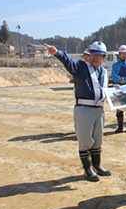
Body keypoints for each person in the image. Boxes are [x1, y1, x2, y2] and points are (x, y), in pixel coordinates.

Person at [43, 41, 112, 181]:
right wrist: (57, 52)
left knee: (97, 140)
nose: (95, 57)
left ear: (104, 57)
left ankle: (97, 166)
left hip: (99, 110)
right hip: (84, 109)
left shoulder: (104, 72)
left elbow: (101, 88)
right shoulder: (81, 67)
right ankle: (88, 170)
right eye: (93, 54)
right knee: (85, 141)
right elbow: (68, 61)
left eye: (99, 55)